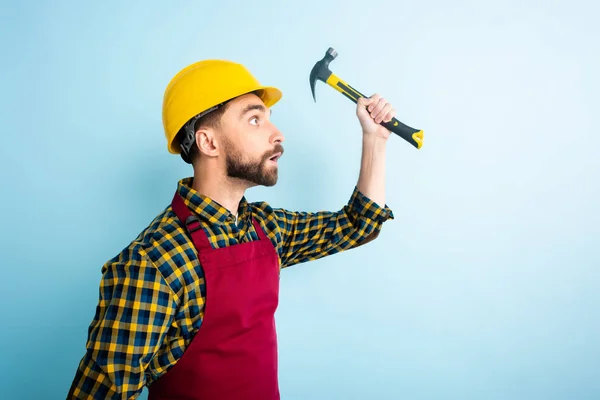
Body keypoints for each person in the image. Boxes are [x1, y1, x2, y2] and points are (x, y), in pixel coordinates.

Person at [67, 58, 396, 399]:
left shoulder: (265, 228)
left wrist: (376, 140)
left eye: (269, 119)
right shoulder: (155, 262)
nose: (277, 134)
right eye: (255, 119)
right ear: (209, 143)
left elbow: (359, 224)